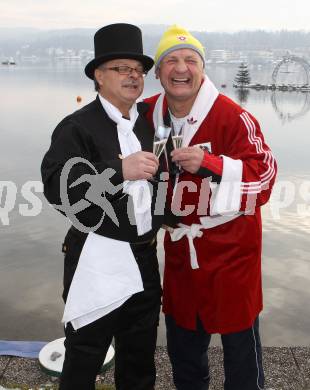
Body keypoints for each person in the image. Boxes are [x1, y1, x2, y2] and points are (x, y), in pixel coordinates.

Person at [145, 25, 277, 390]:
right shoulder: (147, 114)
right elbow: (106, 125)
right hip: (180, 257)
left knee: (242, 361)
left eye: (190, 60)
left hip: (233, 258)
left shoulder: (232, 116)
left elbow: (265, 178)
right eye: (170, 60)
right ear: (158, 73)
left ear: (203, 70)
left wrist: (213, 165)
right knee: (184, 354)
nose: (181, 68)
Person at [41, 23, 166, 390]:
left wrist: (167, 215)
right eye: (122, 69)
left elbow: (157, 184)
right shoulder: (76, 127)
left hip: (144, 258)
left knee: (140, 360)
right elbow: (58, 189)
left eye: (139, 71)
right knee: (84, 358)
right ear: (98, 75)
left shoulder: (148, 125)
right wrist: (117, 171)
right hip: (96, 258)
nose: (133, 77)